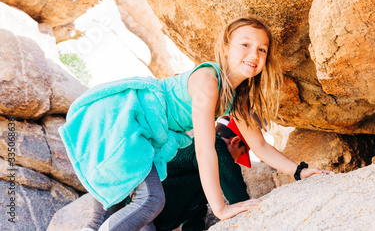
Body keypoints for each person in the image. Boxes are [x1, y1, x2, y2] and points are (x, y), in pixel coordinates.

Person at [59, 16, 328, 231]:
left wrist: (300, 171)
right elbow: (204, 149)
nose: (254, 54)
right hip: (123, 120)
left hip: (136, 130)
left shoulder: (237, 97)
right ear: (225, 48)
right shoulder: (208, 80)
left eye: (262, 49)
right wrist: (221, 209)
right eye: (245, 45)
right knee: (150, 200)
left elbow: (259, 145)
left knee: (107, 212)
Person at [155, 115, 251, 231]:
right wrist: (244, 205)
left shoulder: (205, 173)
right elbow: (229, 173)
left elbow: (196, 209)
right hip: (145, 211)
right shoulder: (212, 144)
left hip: (156, 220)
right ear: (235, 141)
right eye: (241, 153)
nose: (236, 161)